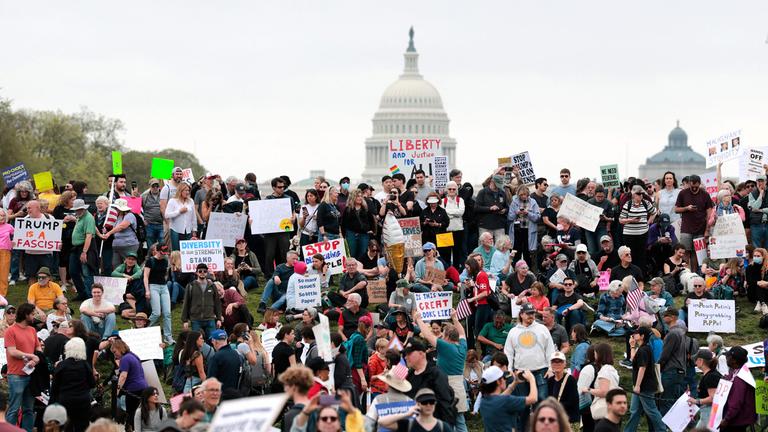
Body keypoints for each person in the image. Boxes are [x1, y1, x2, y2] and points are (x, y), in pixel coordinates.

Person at [415, 310, 469, 432]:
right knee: (460, 422)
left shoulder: (446, 347)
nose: (442, 337)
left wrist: (419, 320)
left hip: (446, 388)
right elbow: (462, 333)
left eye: (444, 334)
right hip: (459, 388)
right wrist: (454, 318)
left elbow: (428, 336)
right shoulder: (462, 346)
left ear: (448, 337)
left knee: (448, 423)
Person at [504, 302, 553, 425]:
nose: (531, 316)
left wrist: (551, 367)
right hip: (521, 373)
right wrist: (509, 368)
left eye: (533, 313)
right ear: (521, 314)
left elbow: (550, 350)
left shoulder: (542, 329)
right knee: (522, 406)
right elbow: (508, 352)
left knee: (542, 403)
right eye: (528, 313)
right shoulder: (513, 332)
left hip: (541, 370)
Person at [5, 303, 42, 432]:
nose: (34, 316)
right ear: (26, 314)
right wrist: (30, 356)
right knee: (14, 409)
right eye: (32, 314)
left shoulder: (32, 330)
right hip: (16, 375)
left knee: (29, 409)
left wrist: (35, 359)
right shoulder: (11, 330)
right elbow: (12, 351)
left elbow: (38, 348)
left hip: (31, 374)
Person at [403, 339, 457, 426]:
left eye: (409, 354)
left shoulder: (436, 374)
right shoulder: (409, 375)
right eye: (405, 354)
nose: (405, 357)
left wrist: (447, 427)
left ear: (421, 354)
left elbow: (445, 403)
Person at [623, 327, 665, 432]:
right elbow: (633, 360)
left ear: (642, 336)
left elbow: (642, 368)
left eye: (636, 333)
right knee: (635, 410)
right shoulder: (642, 348)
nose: (633, 335)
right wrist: (632, 346)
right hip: (640, 386)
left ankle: (662, 429)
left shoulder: (644, 350)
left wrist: (637, 386)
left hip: (644, 386)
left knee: (651, 410)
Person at [50, 337, 95, 432]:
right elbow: (92, 384)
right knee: (82, 427)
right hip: (83, 401)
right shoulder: (85, 365)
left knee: (66, 427)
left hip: (65, 400)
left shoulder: (61, 365)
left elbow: (55, 386)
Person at [477, 365, 538, 432]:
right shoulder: (506, 401)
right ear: (498, 381)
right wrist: (532, 379)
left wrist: (515, 382)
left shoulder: (484, 402)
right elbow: (533, 398)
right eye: (503, 378)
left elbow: (499, 399)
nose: (505, 380)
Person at [675, 175, 714, 269]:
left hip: (700, 228)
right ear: (689, 183)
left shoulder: (705, 194)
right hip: (686, 228)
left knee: (696, 253)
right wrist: (687, 208)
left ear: (699, 184)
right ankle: (685, 273)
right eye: (692, 187)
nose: (694, 189)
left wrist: (707, 230)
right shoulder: (683, 193)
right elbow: (676, 209)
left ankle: (694, 273)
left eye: (696, 187)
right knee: (685, 252)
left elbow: (709, 212)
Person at [619, 185, 656, 276]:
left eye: (642, 194)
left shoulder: (646, 203)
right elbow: (621, 220)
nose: (640, 196)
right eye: (638, 194)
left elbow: (654, 212)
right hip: (629, 234)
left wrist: (648, 222)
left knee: (642, 255)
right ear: (633, 194)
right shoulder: (628, 204)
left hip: (643, 233)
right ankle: (630, 274)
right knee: (630, 254)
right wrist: (631, 220)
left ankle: (641, 275)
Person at [111, 339, 148, 432]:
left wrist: (116, 391)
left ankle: (132, 429)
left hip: (133, 388)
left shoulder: (125, 359)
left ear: (120, 348)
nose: (114, 355)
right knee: (139, 412)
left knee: (130, 413)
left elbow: (123, 376)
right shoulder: (133, 355)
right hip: (143, 387)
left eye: (115, 352)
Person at [379, 388, 454, 432]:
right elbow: (382, 422)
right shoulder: (409, 424)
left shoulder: (443, 427)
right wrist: (407, 414)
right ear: (417, 404)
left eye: (431, 402)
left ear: (435, 403)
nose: (428, 405)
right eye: (424, 402)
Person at [719, 346, 757, 431]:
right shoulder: (739, 372)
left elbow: (736, 402)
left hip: (736, 421)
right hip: (738, 419)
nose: (726, 359)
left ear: (734, 360)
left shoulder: (740, 379)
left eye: (728, 357)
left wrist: (726, 419)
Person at [658, 308, 688, 415]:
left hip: (671, 371)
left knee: (665, 401)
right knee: (675, 401)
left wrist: (658, 368)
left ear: (673, 317)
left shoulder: (672, 333)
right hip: (679, 371)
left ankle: (663, 427)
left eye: (667, 315)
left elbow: (665, 355)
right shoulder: (681, 332)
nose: (664, 317)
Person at [181, 262, 222, 338]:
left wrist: (219, 318)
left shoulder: (212, 286)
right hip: (195, 319)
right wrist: (185, 320)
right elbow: (186, 303)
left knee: (212, 341)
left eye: (205, 271)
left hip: (210, 318)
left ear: (207, 273)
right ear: (196, 272)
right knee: (197, 342)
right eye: (200, 271)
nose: (202, 273)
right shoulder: (191, 286)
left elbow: (217, 303)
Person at [143, 244, 174, 344]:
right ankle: (144, 328)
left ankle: (168, 336)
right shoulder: (150, 261)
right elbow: (146, 276)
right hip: (153, 286)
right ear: (157, 250)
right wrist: (147, 290)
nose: (163, 255)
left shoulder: (165, 260)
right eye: (161, 252)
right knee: (156, 312)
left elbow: (166, 274)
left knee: (167, 313)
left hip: (163, 287)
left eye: (164, 253)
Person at [687, 349, 721, 428]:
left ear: (701, 361)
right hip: (707, 411)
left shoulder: (710, 376)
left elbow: (713, 398)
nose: (695, 363)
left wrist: (696, 401)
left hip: (709, 412)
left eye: (696, 360)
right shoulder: (711, 374)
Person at [69, 199, 96, 300]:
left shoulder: (88, 218)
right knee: (73, 271)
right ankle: (82, 293)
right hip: (76, 248)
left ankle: (89, 296)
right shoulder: (80, 217)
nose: (78, 211)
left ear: (84, 209)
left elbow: (89, 236)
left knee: (86, 272)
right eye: (76, 210)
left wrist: (84, 252)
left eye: (79, 209)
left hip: (85, 247)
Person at [508, 185, 540, 265]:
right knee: (516, 251)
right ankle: (515, 269)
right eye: (521, 195)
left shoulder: (533, 202)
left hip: (529, 230)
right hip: (517, 230)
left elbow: (537, 217)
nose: (523, 196)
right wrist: (516, 213)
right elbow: (510, 217)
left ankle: (527, 270)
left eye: (525, 194)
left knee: (527, 252)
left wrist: (528, 213)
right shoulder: (514, 202)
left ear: (528, 194)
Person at [102, 199, 140, 267]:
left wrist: (109, 233)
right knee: (116, 265)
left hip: (129, 244)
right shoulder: (117, 216)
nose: (115, 209)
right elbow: (115, 228)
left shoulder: (130, 215)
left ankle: (133, 277)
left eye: (116, 208)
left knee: (130, 265)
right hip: (116, 245)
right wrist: (106, 231)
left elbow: (122, 226)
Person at [546, 352, 579, 429]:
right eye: (554, 361)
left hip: (569, 421)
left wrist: (554, 406)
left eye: (560, 361)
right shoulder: (550, 381)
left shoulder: (570, 380)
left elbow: (572, 401)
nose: (557, 364)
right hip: (555, 421)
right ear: (551, 364)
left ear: (565, 364)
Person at [475, 170, 508, 244]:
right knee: (485, 246)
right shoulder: (482, 192)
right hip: (485, 225)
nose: (498, 187)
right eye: (497, 184)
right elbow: (476, 207)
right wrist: (489, 208)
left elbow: (507, 206)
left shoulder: (502, 193)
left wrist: (504, 210)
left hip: (499, 225)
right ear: (492, 182)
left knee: (501, 246)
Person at [279, 365, 315, 432]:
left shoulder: (289, 416)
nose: (284, 389)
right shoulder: (318, 410)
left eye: (286, 385)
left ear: (293, 386)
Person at [342, 189, 375, 259]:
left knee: (363, 254)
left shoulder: (365, 209)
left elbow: (371, 220)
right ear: (353, 197)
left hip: (364, 234)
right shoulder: (348, 209)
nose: (360, 198)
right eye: (357, 196)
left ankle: (360, 269)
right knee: (352, 254)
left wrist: (371, 230)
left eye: (361, 196)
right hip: (351, 234)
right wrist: (343, 235)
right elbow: (343, 223)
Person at [164, 183, 198, 251]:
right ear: (180, 191)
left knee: (187, 251)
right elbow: (167, 215)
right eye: (185, 190)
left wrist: (194, 230)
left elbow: (193, 216)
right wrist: (179, 211)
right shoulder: (172, 201)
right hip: (176, 230)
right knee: (176, 252)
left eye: (188, 190)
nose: (187, 192)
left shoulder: (191, 201)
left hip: (188, 231)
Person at [441, 181, 466, 269]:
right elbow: (443, 214)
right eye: (449, 189)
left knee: (457, 253)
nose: (451, 190)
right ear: (446, 190)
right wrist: (454, 214)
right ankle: (447, 271)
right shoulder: (442, 201)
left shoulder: (461, 200)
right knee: (445, 254)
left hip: (458, 230)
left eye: (454, 189)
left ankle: (456, 271)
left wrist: (449, 213)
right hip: (446, 231)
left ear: (456, 190)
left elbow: (461, 213)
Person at [271, 326, 298, 393]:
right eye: (292, 334)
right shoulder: (289, 349)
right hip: (287, 383)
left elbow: (273, 368)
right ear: (286, 335)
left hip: (276, 383)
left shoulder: (276, 348)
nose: (294, 336)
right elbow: (294, 368)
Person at [141, 179, 164, 249]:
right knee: (151, 246)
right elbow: (139, 209)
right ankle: (150, 259)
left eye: (157, 186)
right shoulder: (144, 196)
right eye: (153, 186)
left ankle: (161, 259)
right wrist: (143, 219)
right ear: (150, 187)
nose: (155, 187)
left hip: (161, 224)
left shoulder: (163, 195)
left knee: (162, 245)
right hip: (149, 225)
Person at [0, 209, 13, 298]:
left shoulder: (9, 226)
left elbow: (20, 236)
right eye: (0, 215)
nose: (2, 217)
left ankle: (2, 295)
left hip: (5, 252)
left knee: (3, 274)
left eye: (4, 215)